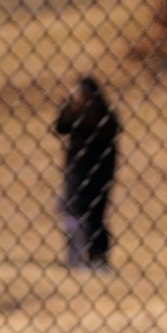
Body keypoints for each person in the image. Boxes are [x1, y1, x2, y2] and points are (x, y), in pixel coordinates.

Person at [54, 76, 119, 271]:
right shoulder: (76, 115)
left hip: (100, 170)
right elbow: (60, 127)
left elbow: (111, 133)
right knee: (74, 209)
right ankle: (78, 256)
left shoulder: (103, 116)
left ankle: (97, 256)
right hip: (77, 170)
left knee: (95, 213)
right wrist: (67, 106)